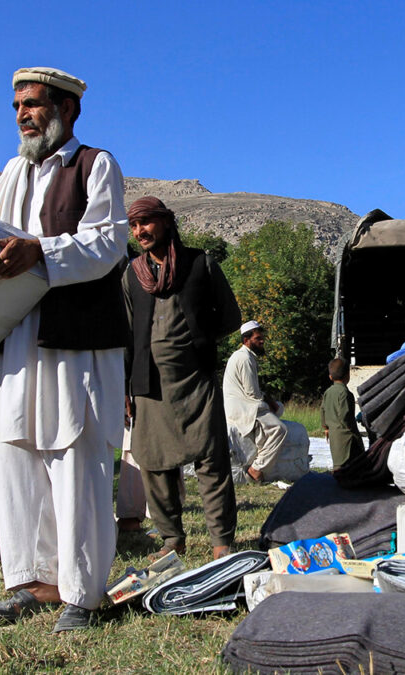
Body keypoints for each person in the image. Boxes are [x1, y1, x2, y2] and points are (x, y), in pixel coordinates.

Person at [0, 67, 128, 633]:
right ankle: (29, 582)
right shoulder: (12, 173)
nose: (23, 114)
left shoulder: (95, 165)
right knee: (17, 455)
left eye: (34, 103)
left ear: (68, 109)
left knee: (75, 456)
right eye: (17, 105)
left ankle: (83, 595)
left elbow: (108, 241)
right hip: (17, 339)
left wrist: (40, 251)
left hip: (75, 344)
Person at [123, 196, 241, 560]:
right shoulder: (132, 275)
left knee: (212, 462)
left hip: (196, 381)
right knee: (152, 463)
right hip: (149, 386)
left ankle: (221, 540)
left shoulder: (201, 264)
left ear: (166, 222)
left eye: (146, 222)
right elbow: (127, 333)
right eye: (134, 225)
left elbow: (231, 317)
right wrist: (125, 388)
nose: (140, 231)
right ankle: (172, 538)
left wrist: (199, 341)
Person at [223, 322, 287, 483]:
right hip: (242, 407)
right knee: (279, 429)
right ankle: (256, 469)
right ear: (246, 340)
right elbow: (252, 393)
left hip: (246, 404)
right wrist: (269, 403)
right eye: (258, 338)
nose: (262, 341)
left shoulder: (247, 357)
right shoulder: (244, 358)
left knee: (278, 409)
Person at [320, 358, 363, 468]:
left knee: (338, 462)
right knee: (354, 462)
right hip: (347, 436)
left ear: (330, 376)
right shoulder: (345, 393)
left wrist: (326, 427)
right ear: (348, 376)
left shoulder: (327, 392)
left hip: (333, 434)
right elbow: (345, 415)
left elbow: (322, 410)